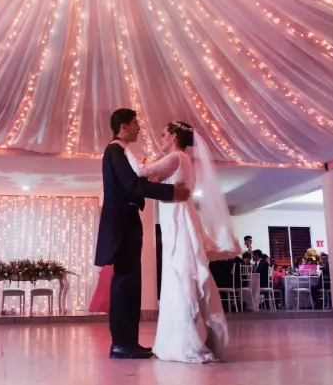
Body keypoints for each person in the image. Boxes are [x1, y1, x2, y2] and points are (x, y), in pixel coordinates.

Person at [130, 121, 241, 363]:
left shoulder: (176, 157)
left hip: (178, 221)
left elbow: (140, 171)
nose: (160, 138)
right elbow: (155, 181)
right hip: (175, 220)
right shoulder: (182, 160)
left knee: (181, 275)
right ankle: (182, 338)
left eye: (163, 134)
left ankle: (186, 341)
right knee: (178, 275)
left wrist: (125, 149)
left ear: (174, 137)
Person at [94, 109, 190, 360]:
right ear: (124, 126)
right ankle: (122, 343)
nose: (139, 128)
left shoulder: (120, 151)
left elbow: (134, 182)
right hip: (123, 222)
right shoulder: (115, 149)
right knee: (126, 282)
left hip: (127, 219)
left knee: (130, 282)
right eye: (136, 124)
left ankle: (127, 342)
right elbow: (133, 184)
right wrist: (171, 193)